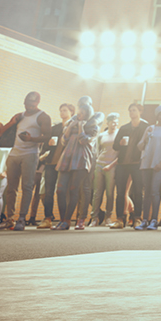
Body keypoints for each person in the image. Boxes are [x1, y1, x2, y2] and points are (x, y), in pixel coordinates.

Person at [55, 97, 100, 230]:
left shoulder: (93, 126)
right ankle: (62, 219)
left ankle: (67, 220)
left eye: (81, 113)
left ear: (87, 114)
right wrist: (70, 127)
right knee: (60, 190)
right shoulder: (72, 122)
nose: (78, 115)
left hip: (81, 159)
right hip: (67, 157)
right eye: (78, 112)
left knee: (74, 190)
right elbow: (63, 140)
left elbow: (84, 141)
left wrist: (80, 127)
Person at [135, 105, 161, 230]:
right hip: (146, 163)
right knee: (146, 191)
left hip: (160, 164)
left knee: (154, 191)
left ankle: (154, 220)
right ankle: (145, 220)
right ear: (157, 115)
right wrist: (146, 137)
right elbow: (140, 146)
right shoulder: (150, 128)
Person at [32, 102, 73, 228]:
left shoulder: (74, 127)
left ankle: (64, 219)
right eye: (61, 110)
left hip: (66, 164)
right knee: (48, 191)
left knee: (63, 192)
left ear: (72, 112)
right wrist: (48, 143)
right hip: (51, 162)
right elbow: (46, 145)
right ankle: (48, 218)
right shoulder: (56, 128)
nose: (62, 113)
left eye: (65, 110)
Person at [111, 103, 147, 228]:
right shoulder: (124, 128)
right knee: (120, 192)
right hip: (122, 163)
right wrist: (120, 143)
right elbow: (115, 146)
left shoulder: (146, 127)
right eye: (130, 110)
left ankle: (137, 218)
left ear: (140, 112)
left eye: (134, 110)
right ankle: (120, 219)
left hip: (138, 163)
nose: (132, 112)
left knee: (138, 191)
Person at [90, 113, 120, 227]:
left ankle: (108, 217)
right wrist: (96, 164)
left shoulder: (119, 135)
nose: (115, 124)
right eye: (112, 121)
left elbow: (120, 154)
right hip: (99, 165)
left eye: (116, 122)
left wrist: (111, 165)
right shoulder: (101, 135)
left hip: (111, 166)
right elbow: (97, 151)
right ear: (107, 122)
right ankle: (94, 218)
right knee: (97, 193)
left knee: (110, 193)